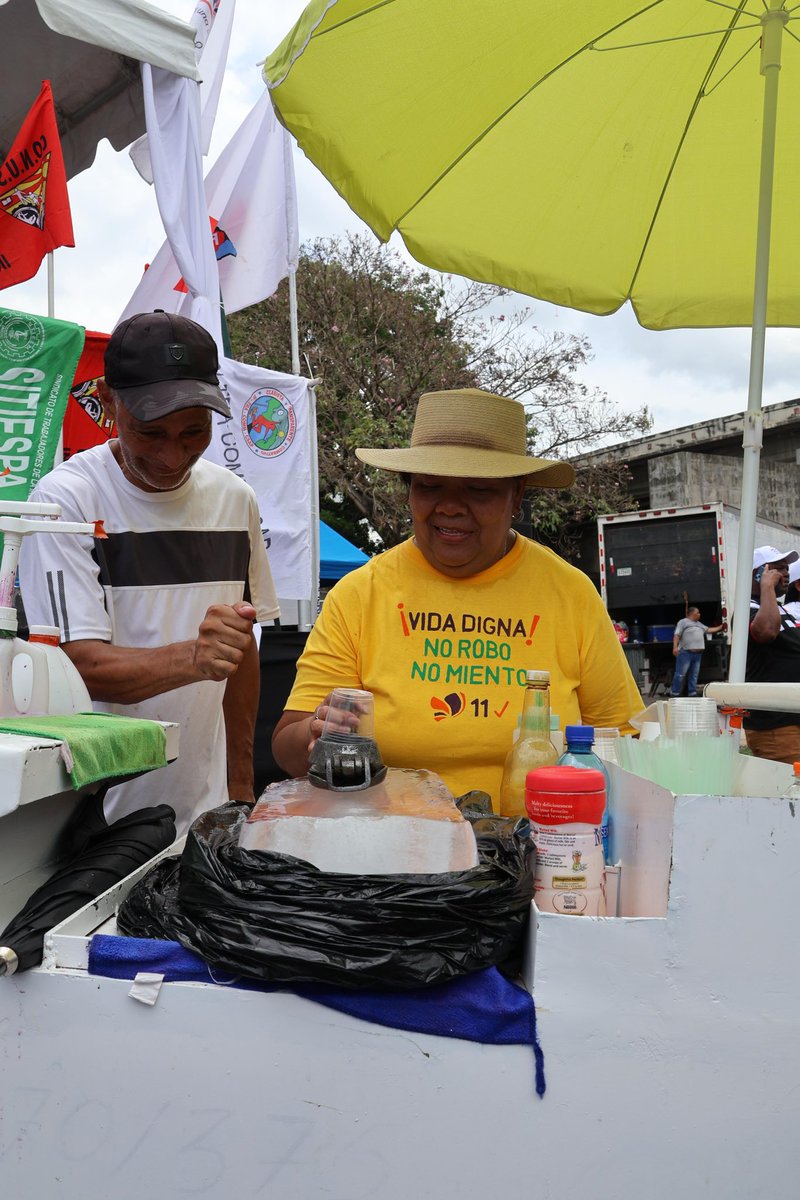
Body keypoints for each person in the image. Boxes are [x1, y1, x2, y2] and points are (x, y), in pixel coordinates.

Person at [272, 388, 643, 807]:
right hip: (390, 852)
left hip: (542, 850)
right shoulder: (359, 595)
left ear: (516, 496)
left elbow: (623, 742)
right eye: (430, 486)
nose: (450, 507)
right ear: (409, 490)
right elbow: (287, 747)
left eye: (478, 489)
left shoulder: (570, 593)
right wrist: (317, 733)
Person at [19, 311, 279, 835]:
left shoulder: (235, 499)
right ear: (110, 403)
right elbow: (80, 666)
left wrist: (243, 788)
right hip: (90, 820)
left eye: (194, 431)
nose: (172, 454)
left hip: (203, 815)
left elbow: (240, 649)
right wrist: (193, 656)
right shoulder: (63, 502)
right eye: (150, 432)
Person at [743, 544, 800, 764]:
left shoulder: (782, 610)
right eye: (778, 569)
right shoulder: (746, 608)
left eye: (787, 569)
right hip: (777, 726)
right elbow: (766, 632)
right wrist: (766, 587)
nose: (786, 573)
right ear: (758, 574)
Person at [670, 606, 724, 697]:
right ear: (692, 613)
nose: (699, 614)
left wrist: (721, 627)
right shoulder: (683, 622)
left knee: (694, 674)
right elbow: (677, 635)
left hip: (697, 654)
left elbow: (709, 630)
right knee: (680, 674)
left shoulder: (699, 624)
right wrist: (675, 647)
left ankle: (692, 693)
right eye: (698, 612)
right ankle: (675, 693)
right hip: (685, 653)